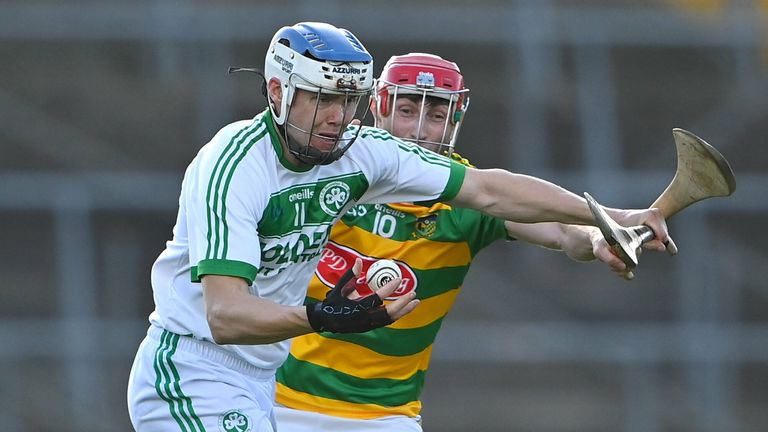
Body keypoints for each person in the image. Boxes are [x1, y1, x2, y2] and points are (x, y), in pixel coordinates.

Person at [126, 22, 671, 432]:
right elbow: (225, 315)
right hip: (201, 370)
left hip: (315, 396)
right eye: (321, 99)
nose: (336, 117)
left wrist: (614, 219)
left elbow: (492, 189)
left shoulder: (363, 154)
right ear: (277, 93)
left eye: (346, 100)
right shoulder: (235, 167)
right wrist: (328, 314)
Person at [272, 53, 672, 431]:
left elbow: (563, 232)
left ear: (455, 121)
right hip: (278, 400)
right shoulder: (330, 171)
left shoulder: (469, 198)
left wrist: (597, 238)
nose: (419, 131)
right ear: (379, 105)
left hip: (385, 415)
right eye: (408, 110)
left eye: (437, 115)